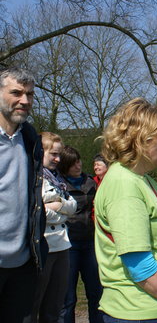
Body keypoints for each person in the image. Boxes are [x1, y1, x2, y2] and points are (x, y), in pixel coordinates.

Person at [94, 97, 157, 322]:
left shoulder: (143, 179)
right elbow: (139, 264)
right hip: (137, 312)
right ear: (142, 139)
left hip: (156, 306)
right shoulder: (124, 184)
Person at [0, 67, 47, 322]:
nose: (25, 101)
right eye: (16, 93)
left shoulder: (30, 139)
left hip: (24, 263)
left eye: (30, 94)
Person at [32, 132, 77, 323]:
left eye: (59, 154)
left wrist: (57, 205)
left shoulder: (57, 179)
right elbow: (37, 212)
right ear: (41, 152)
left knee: (55, 306)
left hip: (62, 246)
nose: (58, 159)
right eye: (53, 154)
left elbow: (73, 205)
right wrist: (61, 208)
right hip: (44, 247)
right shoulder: (33, 177)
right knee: (33, 306)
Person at [58, 146, 103, 323]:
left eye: (79, 161)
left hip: (90, 241)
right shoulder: (60, 184)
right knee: (68, 297)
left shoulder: (90, 182)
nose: (78, 165)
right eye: (73, 163)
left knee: (96, 292)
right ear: (65, 166)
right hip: (69, 243)